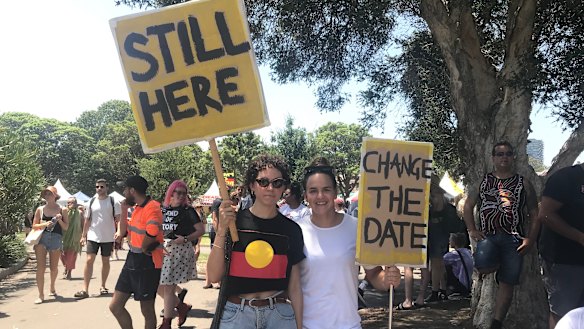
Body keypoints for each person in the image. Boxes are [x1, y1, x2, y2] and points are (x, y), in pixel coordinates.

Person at [297, 158, 401, 328]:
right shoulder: (296, 231)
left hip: (348, 324)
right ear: (306, 195)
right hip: (308, 325)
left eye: (326, 189)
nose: (320, 196)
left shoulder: (356, 228)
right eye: (313, 191)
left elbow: (374, 273)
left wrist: (388, 279)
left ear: (335, 193)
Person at [207, 154, 305, 329]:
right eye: (263, 182)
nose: (270, 188)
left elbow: (295, 287)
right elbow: (214, 276)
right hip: (237, 315)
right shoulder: (233, 225)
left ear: (284, 187)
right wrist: (221, 229)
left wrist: (299, 325)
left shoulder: (292, 230)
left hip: (280, 316)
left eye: (277, 183)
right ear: (252, 185)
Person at [463, 141, 539, 329]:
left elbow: (535, 213)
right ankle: (498, 264)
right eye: (500, 154)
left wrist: (531, 238)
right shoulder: (484, 181)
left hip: (514, 237)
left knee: (508, 282)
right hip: (488, 236)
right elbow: (467, 205)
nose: (504, 157)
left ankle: (497, 322)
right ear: (493, 157)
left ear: (513, 156)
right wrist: (471, 229)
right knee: (481, 266)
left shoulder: (523, 183)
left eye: (508, 153)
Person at [109, 175, 164, 329]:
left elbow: (152, 233)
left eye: (125, 189)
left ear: (132, 190)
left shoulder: (152, 207)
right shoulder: (137, 208)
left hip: (148, 261)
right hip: (133, 259)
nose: (124, 192)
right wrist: (124, 209)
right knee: (115, 306)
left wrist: (145, 248)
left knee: (146, 309)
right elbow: (124, 231)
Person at [538, 163, 584, 328]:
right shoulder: (566, 178)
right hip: (563, 261)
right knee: (563, 315)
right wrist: (580, 237)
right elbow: (545, 214)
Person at [158, 180, 204, 329]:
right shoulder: (163, 209)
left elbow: (200, 230)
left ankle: (166, 323)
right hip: (162, 250)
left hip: (178, 250)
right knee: (157, 285)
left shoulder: (188, 211)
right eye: (177, 192)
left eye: (183, 193)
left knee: (168, 287)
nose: (180, 195)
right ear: (171, 192)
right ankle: (181, 306)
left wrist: (184, 239)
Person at [75, 179, 121, 299]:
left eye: (102, 187)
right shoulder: (91, 201)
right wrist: (83, 236)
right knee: (89, 260)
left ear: (107, 188)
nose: (99, 189)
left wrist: (119, 231)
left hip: (108, 236)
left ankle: (103, 285)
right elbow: (87, 220)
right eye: (97, 187)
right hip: (93, 235)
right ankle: (85, 289)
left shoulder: (113, 201)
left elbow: (118, 219)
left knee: (105, 261)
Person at [424, 176, 464, 303]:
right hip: (441, 231)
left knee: (436, 262)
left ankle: (435, 291)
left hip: (437, 231)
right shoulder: (442, 195)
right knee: (439, 262)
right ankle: (442, 289)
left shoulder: (435, 196)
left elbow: (436, 208)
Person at [32, 186, 69, 304]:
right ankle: (40, 295)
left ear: (55, 195)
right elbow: (34, 225)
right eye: (46, 194)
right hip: (42, 238)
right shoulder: (40, 209)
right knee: (41, 268)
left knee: (53, 268)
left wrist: (59, 220)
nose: (47, 196)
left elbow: (66, 227)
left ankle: (52, 287)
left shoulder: (62, 209)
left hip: (56, 238)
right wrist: (44, 224)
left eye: (50, 194)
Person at [443, 233, 473, 297]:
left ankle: (446, 288)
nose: (449, 241)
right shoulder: (468, 251)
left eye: (450, 240)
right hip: (470, 283)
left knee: (442, 267)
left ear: (454, 242)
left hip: (462, 284)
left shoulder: (454, 254)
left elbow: (440, 262)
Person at [61, 197, 84, 280]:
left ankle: (69, 272)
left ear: (76, 203)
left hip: (75, 237)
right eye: (68, 202)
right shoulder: (64, 212)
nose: (69, 204)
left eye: (72, 202)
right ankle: (66, 267)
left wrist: (83, 237)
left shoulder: (80, 213)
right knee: (62, 254)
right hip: (64, 236)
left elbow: (83, 225)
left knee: (71, 256)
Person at [203, 197, 222, 289]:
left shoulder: (224, 201)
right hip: (217, 231)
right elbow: (215, 218)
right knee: (215, 255)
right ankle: (211, 281)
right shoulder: (218, 202)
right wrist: (218, 233)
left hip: (219, 231)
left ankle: (209, 282)